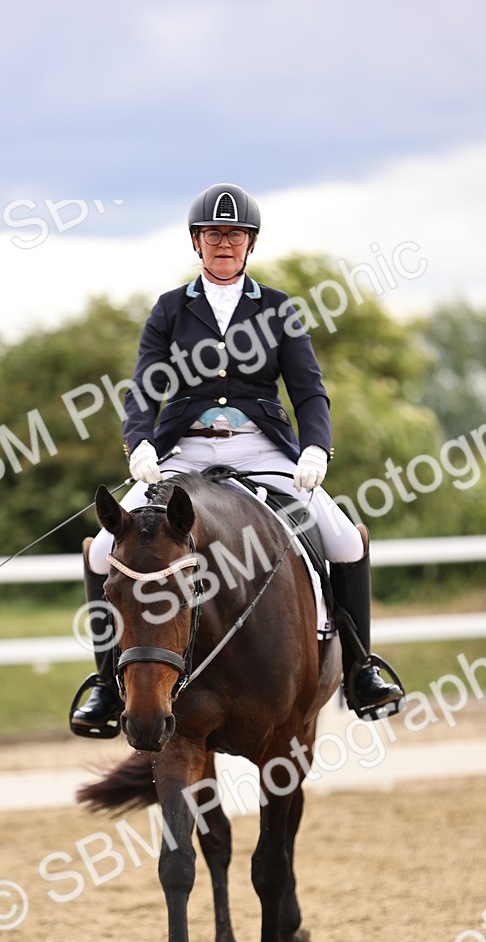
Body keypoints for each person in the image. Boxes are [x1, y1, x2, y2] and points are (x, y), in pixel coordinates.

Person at [70, 182, 404, 738]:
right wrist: (142, 442)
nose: (224, 244)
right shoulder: (171, 310)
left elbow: (309, 390)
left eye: (235, 235)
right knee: (105, 548)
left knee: (345, 540)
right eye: (214, 235)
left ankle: (361, 670)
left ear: (249, 244)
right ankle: (107, 682)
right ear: (197, 243)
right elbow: (144, 389)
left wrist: (316, 446)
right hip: (184, 450)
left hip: (262, 447)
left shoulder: (276, 308)